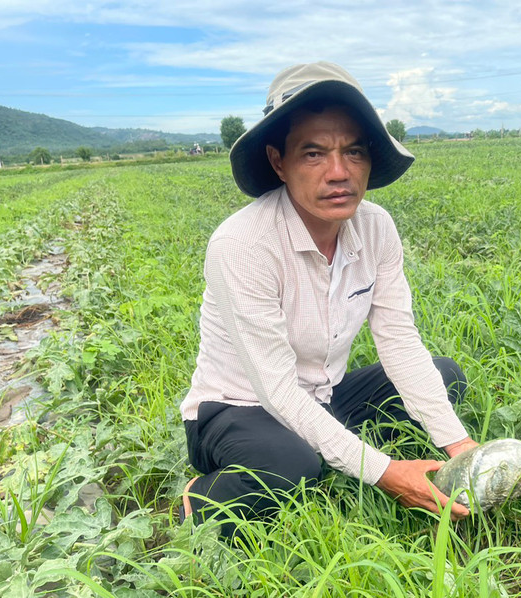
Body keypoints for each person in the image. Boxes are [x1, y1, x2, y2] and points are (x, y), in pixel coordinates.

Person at [179, 62, 478, 535]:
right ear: (279, 161)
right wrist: (384, 473)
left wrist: (460, 447)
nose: (339, 173)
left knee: (445, 378)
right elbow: (276, 391)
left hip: (324, 395)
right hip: (238, 407)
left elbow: (399, 339)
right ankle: (198, 500)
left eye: (353, 151)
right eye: (313, 153)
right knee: (292, 467)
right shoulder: (242, 244)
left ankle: (333, 447)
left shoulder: (376, 228)